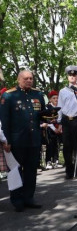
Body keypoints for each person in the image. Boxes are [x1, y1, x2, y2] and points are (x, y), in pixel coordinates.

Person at [0, 70, 46, 211]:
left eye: (31, 78)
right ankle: (17, 199)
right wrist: (6, 141)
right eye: (25, 78)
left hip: (34, 139)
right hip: (17, 141)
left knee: (31, 171)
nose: (29, 81)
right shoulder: (9, 95)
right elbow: (4, 120)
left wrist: (50, 116)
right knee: (16, 171)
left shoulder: (38, 94)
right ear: (18, 79)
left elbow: (42, 115)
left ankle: (29, 198)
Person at [43, 90, 62, 169]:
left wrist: (59, 127)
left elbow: (61, 118)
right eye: (54, 98)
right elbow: (47, 119)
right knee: (50, 145)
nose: (56, 100)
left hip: (58, 128)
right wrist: (54, 128)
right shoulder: (47, 107)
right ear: (50, 99)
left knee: (57, 145)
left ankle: (56, 160)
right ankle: (48, 161)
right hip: (50, 129)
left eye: (57, 98)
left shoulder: (59, 107)